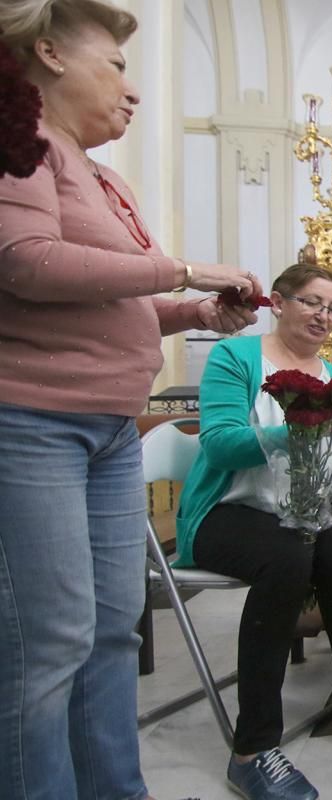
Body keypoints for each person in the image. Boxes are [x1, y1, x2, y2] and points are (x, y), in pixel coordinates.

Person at [0, 3, 262, 798]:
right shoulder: (21, 146)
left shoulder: (105, 177)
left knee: (113, 629)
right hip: (32, 422)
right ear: (46, 53)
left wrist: (196, 313)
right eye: (114, 65)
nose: (132, 89)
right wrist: (182, 273)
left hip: (108, 426)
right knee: (48, 646)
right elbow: (26, 262)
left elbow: (115, 296)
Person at [175, 263, 332, 800]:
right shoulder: (235, 356)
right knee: (289, 557)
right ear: (278, 302)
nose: (325, 315)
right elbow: (222, 444)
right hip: (231, 508)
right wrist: (305, 422)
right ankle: (253, 750)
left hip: (309, 506)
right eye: (313, 302)